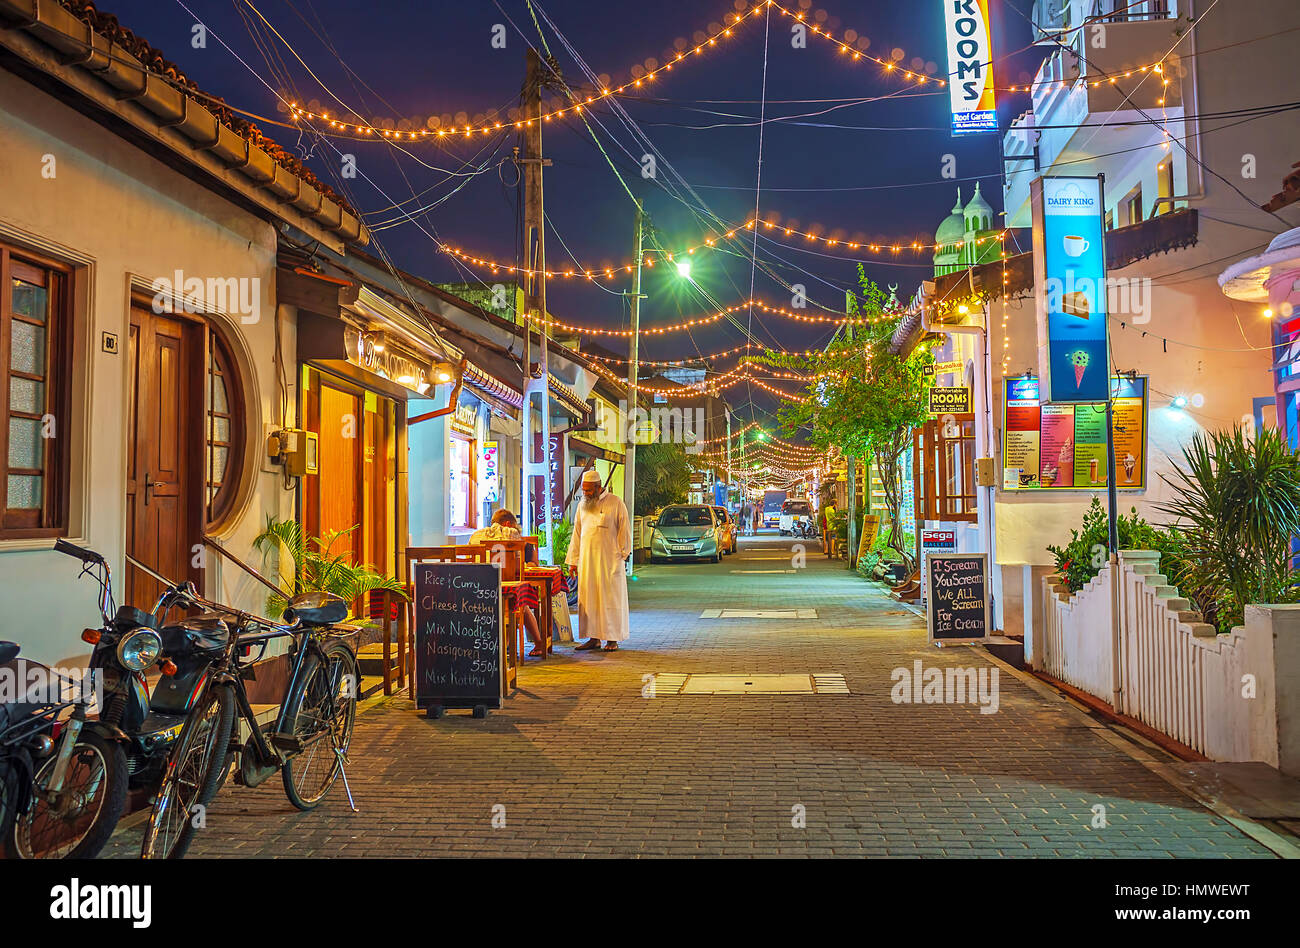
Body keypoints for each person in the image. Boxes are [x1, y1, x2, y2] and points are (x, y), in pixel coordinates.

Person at [566, 468, 632, 652]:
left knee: (610, 600)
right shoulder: (582, 506)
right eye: (583, 490)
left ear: (598, 487)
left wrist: (623, 555)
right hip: (587, 562)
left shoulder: (615, 503)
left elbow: (624, 531)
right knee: (589, 600)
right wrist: (573, 560)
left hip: (610, 562)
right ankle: (593, 638)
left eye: (588, 490)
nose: (585, 494)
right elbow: (577, 533)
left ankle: (612, 639)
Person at [471, 509, 549, 658]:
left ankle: (497, 646)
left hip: (479, 590)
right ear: (508, 524)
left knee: (511, 600)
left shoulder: (476, 536)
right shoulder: (512, 536)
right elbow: (523, 565)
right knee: (517, 602)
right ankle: (537, 642)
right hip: (507, 589)